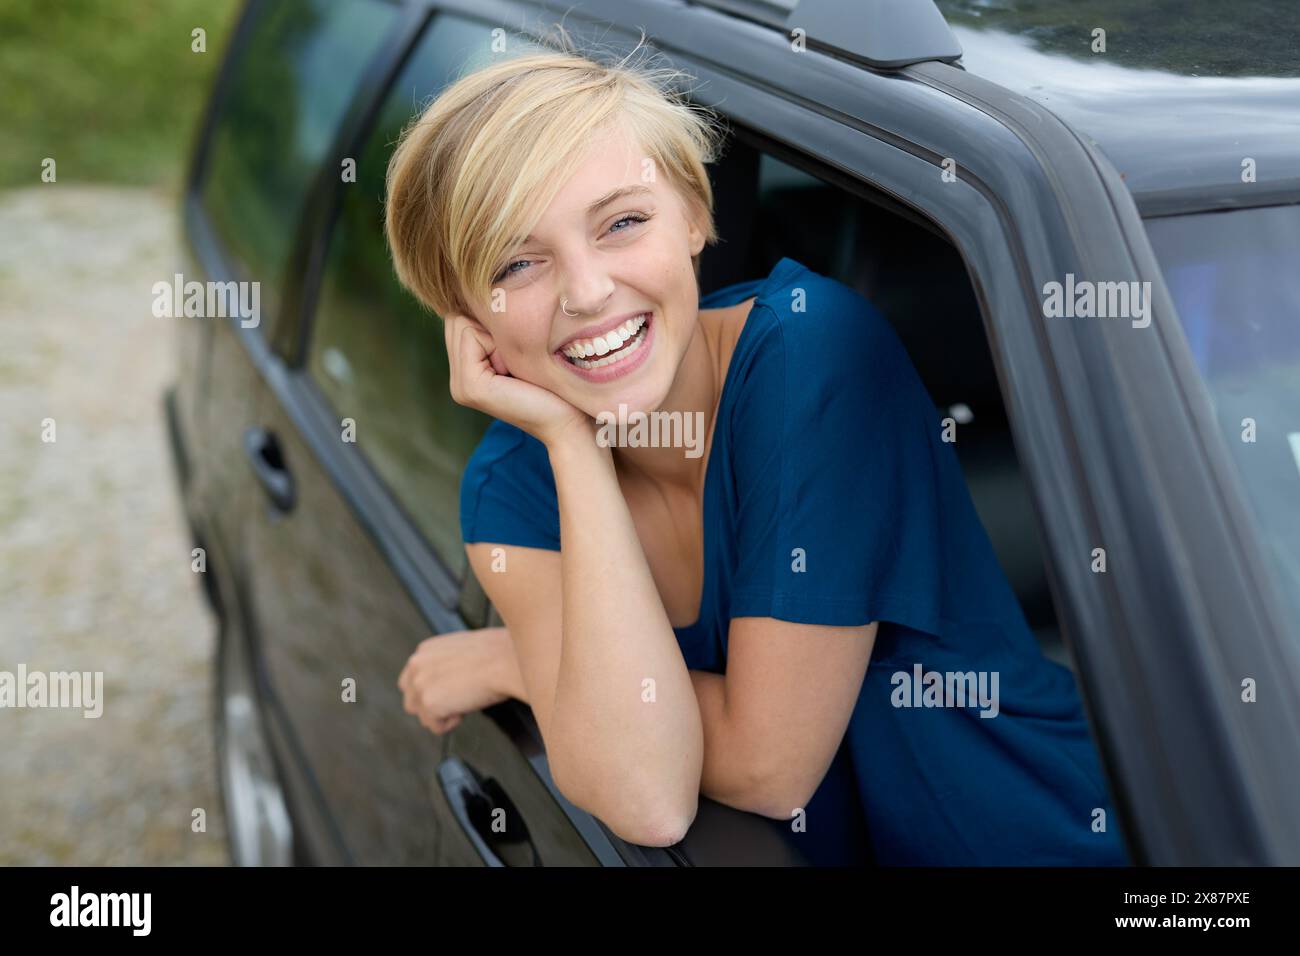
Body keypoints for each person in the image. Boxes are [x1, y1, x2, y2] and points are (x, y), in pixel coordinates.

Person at [388, 38, 1130, 865]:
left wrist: (524, 661)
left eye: (623, 222)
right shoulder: (512, 490)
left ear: (697, 216)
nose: (587, 291)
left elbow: (771, 767)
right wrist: (571, 442)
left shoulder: (813, 356)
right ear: (466, 320)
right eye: (519, 263)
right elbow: (649, 797)